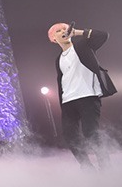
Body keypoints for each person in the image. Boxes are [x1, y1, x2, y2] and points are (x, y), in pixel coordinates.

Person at [47, 23, 116, 170]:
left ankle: (106, 167)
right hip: (68, 101)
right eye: (58, 31)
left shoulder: (83, 46)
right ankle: (87, 167)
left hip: (87, 96)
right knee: (70, 136)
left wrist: (77, 32)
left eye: (65, 29)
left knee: (91, 133)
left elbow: (103, 35)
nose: (63, 31)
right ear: (53, 38)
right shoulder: (58, 59)